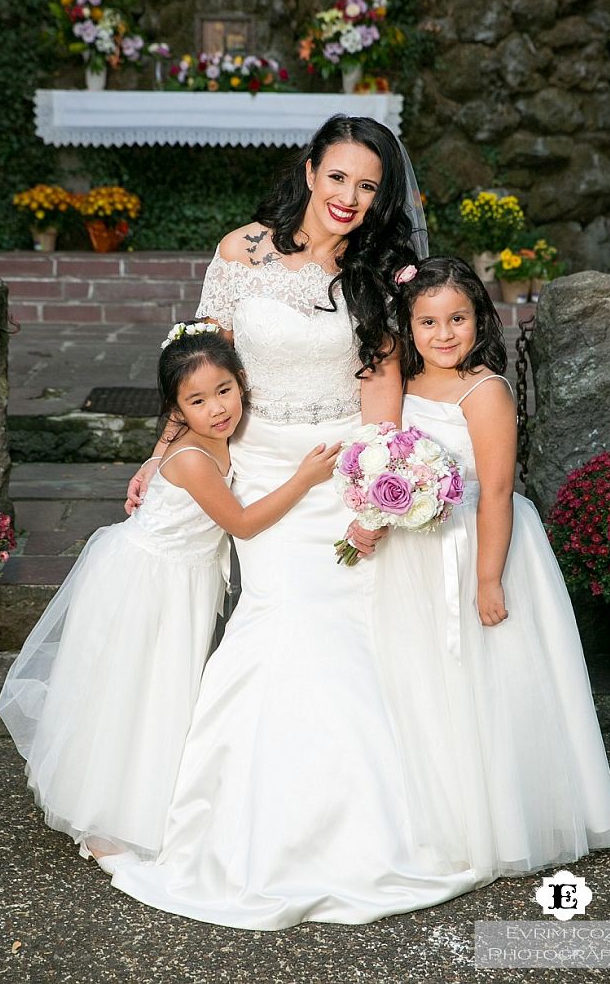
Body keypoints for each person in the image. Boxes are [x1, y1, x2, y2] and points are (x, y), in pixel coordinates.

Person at [114, 116, 486, 928]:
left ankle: (361, 831)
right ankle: (237, 827)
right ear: (310, 169)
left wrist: (377, 496)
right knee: (272, 627)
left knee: (343, 637)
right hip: (253, 466)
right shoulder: (242, 250)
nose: (349, 198)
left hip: (336, 473)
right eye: (338, 177)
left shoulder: (381, 274)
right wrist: (161, 453)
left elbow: (380, 398)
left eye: (368, 186)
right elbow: (201, 364)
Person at [0, 323, 339, 868]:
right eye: (198, 401)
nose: (218, 409)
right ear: (177, 408)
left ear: (242, 382)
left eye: (224, 391)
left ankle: (138, 796)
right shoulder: (193, 460)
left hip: (180, 577)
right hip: (150, 581)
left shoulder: (209, 439)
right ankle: (106, 812)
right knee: (135, 694)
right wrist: (304, 478)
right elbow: (244, 524)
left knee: (155, 692)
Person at [367, 256, 610, 886]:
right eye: (428, 321)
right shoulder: (408, 387)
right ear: (409, 324)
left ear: (479, 320)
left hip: (480, 540)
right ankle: (443, 811)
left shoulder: (485, 391)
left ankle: (501, 818)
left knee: (486, 681)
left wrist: (488, 578)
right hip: (417, 546)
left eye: (457, 319)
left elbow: (499, 491)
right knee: (426, 679)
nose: (444, 334)